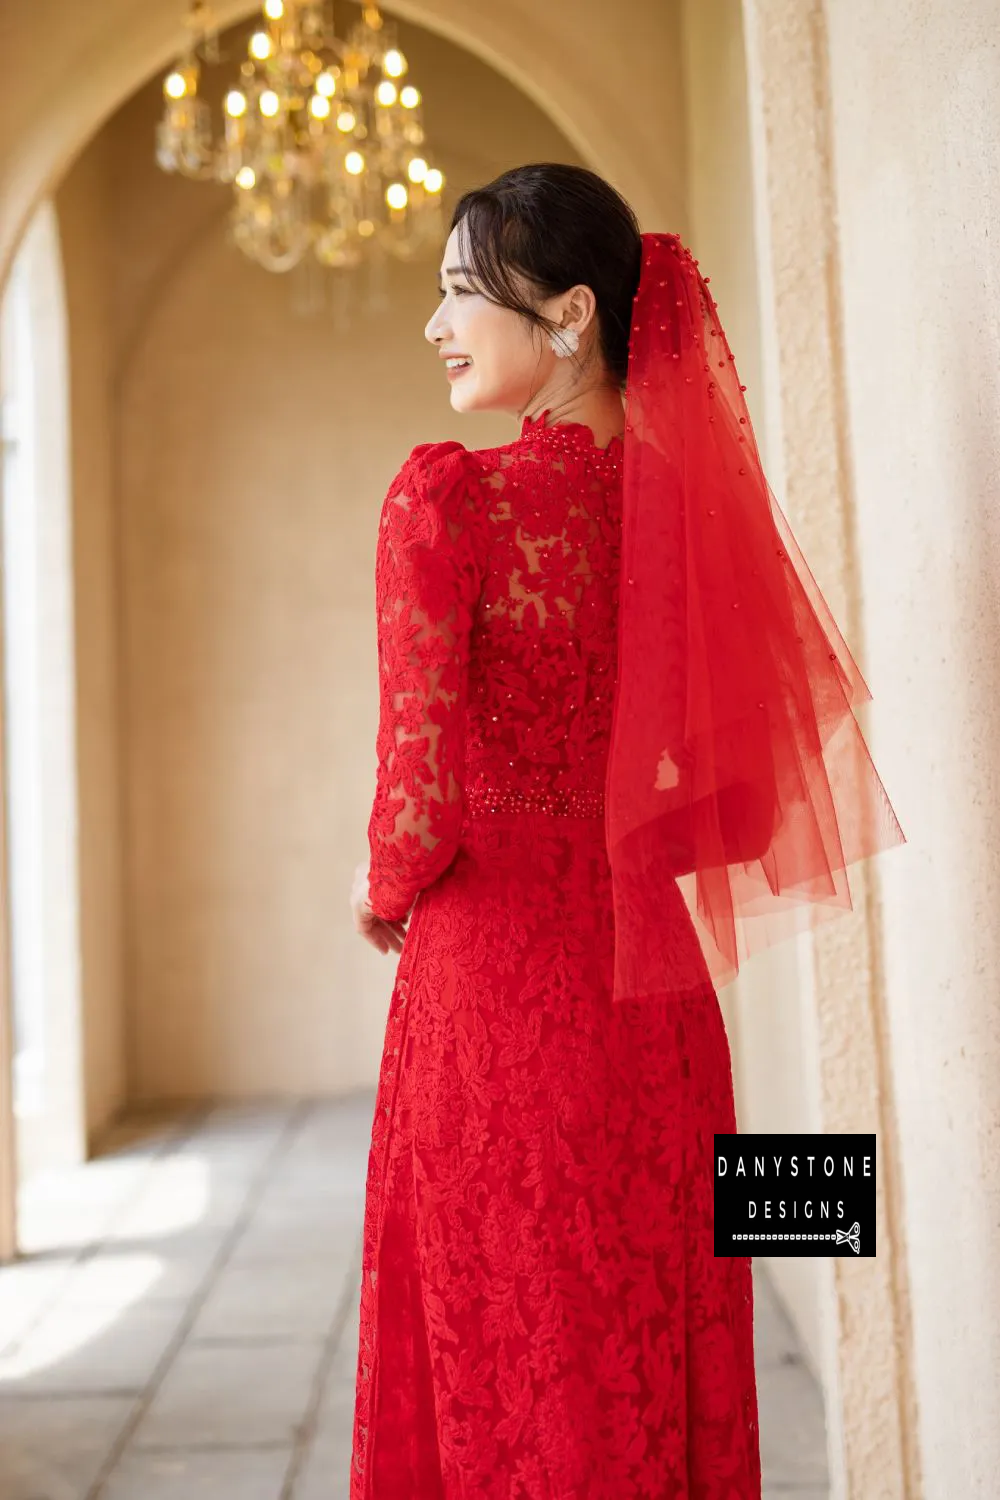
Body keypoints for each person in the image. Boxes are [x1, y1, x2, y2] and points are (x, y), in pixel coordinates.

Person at [348, 162, 903, 1498]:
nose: (436, 321)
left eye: (460, 291)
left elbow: (414, 805)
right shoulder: (683, 514)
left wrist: (379, 891)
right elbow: (750, 804)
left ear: (573, 312)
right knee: (649, 1336)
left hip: (494, 998)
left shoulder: (448, 503)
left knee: (506, 1366)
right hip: (653, 1007)